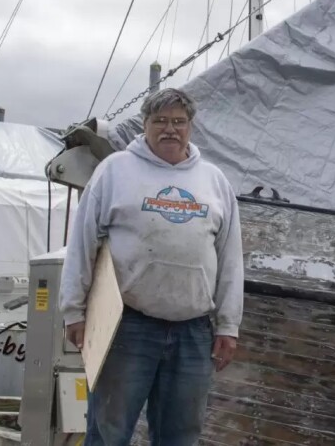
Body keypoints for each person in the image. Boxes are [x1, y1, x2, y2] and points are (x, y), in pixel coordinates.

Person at [59, 87, 244, 445]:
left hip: (193, 333)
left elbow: (231, 259)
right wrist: (73, 311)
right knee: (108, 432)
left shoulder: (215, 182)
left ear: (191, 127)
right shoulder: (114, 171)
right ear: (145, 125)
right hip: (126, 326)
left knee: (180, 435)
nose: (170, 129)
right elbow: (81, 243)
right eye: (160, 121)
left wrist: (228, 325)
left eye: (179, 121)